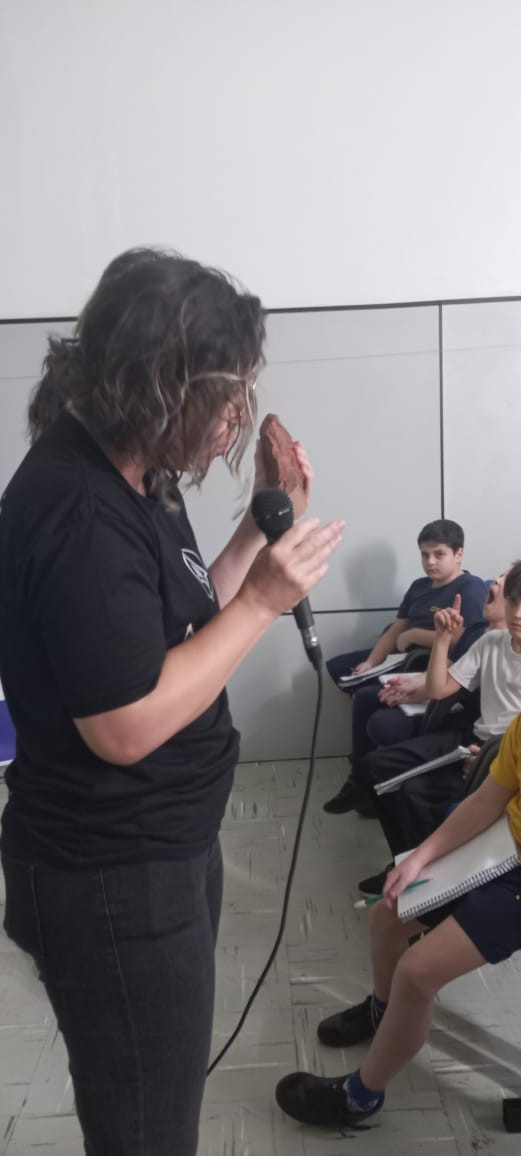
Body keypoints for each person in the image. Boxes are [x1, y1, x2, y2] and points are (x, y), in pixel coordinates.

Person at [0, 248, 343, 1156]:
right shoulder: (78, 509)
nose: (236, 418)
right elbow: (125, 726)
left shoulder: (138, 474)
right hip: (111, 878)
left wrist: (257, 523)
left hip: (161, 846)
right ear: (157, 385)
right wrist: (264, 604)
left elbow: (183, 622)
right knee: (148, 1132)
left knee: (155, 1103)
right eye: (225, 397)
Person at [274, 703, 521, 1132]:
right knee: (386, 917)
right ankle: (383, 1013)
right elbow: (488, 800)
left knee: (417, 972)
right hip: (499, 846)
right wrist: (419, 859)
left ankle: (360, 1100)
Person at [357, 569, 521, 896]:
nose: (517, 613)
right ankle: (405, 864)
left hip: (502, 756)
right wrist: (442, 640)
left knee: (413, 792)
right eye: (513, 601)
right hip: (472, 744)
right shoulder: (491, 642)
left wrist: (490, 758)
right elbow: (437, 689)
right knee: (376, 769)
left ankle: (426, 878)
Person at [324, 519, 487, 814]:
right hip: (402, 657)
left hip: (426, 661)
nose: (430, 562)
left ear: (458, 554)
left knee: (366, 698)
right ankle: (366, 765)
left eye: (439, 554)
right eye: (425, 555)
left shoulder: (470, 588)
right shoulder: (419, 587)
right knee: (341, 669)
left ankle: (363, 773)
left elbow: (462, 639)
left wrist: (413, 636)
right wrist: (371, 662)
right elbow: (395, 630)